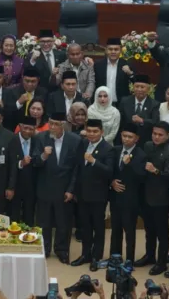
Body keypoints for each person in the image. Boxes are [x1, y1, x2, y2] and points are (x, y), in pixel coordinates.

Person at [34, 112, 81, 263]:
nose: (52, 127)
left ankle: (62, 250)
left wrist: (71, 190)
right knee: (44, 222)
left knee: (63, 223)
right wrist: (43, 156)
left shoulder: (75, 140)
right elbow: (35, 162)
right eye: (50, 123)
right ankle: (45, 249)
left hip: (64, 189)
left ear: (64, 125)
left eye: (56, 124)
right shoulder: (40, 138)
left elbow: (76, 169)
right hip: (45, 187)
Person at [72, 119, 114, 269]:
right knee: (85, 226)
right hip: (82, 194)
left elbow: (109, 171)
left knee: (98, 227)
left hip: (98, 195)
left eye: (95, 131)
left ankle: (96, 257)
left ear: (101, 132)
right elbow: (77, 167)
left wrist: (94, 161)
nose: (91, 134)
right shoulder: (83, 144)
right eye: (89, 131)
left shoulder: (108, 148)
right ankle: (85, 254)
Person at [137, 121, 169, 275]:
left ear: (168, 136)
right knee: (149, 229)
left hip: (161, 198)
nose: (156, 137)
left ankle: (162, 262)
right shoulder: (147, 146)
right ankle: (150, 255)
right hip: (146, 195)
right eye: (154, 133)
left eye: (160, 135)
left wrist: (155, 171)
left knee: (162, 232)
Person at [110, 125, 146, 262]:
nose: (126, 139)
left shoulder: (141, 155)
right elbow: (110, 170)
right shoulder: (115, 150)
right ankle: (115, 258)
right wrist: (112, 182)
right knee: (115, 230)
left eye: (130, 137)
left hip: (131, 200)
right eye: (124, 136)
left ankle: (129, 259)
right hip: (115, 197)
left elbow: (141, 177)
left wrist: (129, 164)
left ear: (136, 139)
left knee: (129, 231)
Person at [7, 116, 40, 227]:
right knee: (14, 216)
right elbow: (9, 164)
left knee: (29, 215)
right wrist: (21, 163)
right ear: (20, 126)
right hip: (15, 184)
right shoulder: (12, 140)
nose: (28, 131)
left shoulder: (36, 141)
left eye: (31, 129)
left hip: (31, 186)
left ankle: (28, 235)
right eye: (25, 128)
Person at [93, 37, 134, 105]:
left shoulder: (127, 64)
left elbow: (135, 82)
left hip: (121, 104)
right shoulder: (98, 65)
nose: (113, 52)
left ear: (120, 50)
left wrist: (130, 73)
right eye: (110, 49)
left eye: (116, 49)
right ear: (106, 50)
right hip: (102, 103)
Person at [118, 74, 158, 144]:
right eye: (137, 87)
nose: (139, 89)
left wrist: (142, 121)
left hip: (145, 140)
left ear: (148, 89)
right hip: (127, 139)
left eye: (142, 87)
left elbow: (155, 122)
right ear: (133, 88)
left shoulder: (154, 104)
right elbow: (120, 121)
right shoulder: (125, 101)